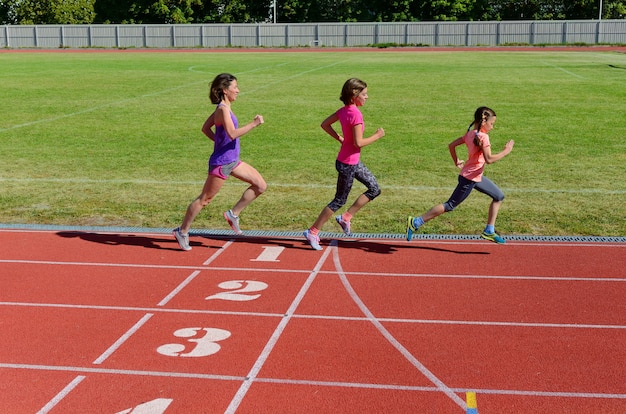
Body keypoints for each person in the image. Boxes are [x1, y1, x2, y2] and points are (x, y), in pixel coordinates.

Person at [173, 73, 266, 251]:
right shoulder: (222, 109)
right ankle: (182, 231)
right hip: (222, 163)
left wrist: (219, 142)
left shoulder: (223, 108)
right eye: (235, 88)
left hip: (233, 160)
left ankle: (233, 214)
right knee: (204, 200)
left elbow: (206, 128)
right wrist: (253, 124)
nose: (238, 90)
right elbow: (232, 134)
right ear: (225, 90)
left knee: (260, 185)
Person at [406, 106, 514, 244]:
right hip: (469, 179)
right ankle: (416, 222)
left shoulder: (470, 134)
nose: (493, 127)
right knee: (450, 205)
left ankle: (489, 230)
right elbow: (489, 159)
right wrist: (506, 151)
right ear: (484, 121)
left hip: (475, 177)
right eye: (492, 124)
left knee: (498, 196)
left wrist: (456, 160)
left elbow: (451, 145)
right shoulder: (484, 137)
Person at [303, 78, 385, 250]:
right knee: (338, 200)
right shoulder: (355, 114)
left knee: (374, 188)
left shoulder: (343, 110)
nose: (367, 97)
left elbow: (325, 124)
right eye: (364, 94)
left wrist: (340, 138)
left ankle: (346, 218)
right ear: (354, 95)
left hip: (351, 162)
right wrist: (377, 136)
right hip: (348, 164)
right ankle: (312, 231)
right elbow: (358, 143)